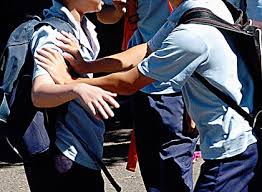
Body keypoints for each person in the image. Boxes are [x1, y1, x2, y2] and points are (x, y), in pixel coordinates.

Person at [36, 0, 261, 191]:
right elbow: (144, 50)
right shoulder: (200, 6)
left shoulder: (191, 36)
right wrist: (86, 66)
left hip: (231, 149)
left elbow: (129, 82)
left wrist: (72, 82)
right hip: (242, 136)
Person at [95, 1, 200, 191]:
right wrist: (119, 11)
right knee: (153, 174)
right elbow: (103, 13)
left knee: (174, 174)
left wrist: (195, 98)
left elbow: (203, 33)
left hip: (177, 88)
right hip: (141, 83)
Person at [30, 0, 120, 191]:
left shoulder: (82, 27)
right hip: (68, 153)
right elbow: (39, 93)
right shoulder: (52, 33)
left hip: (84, 150)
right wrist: (76, 89)